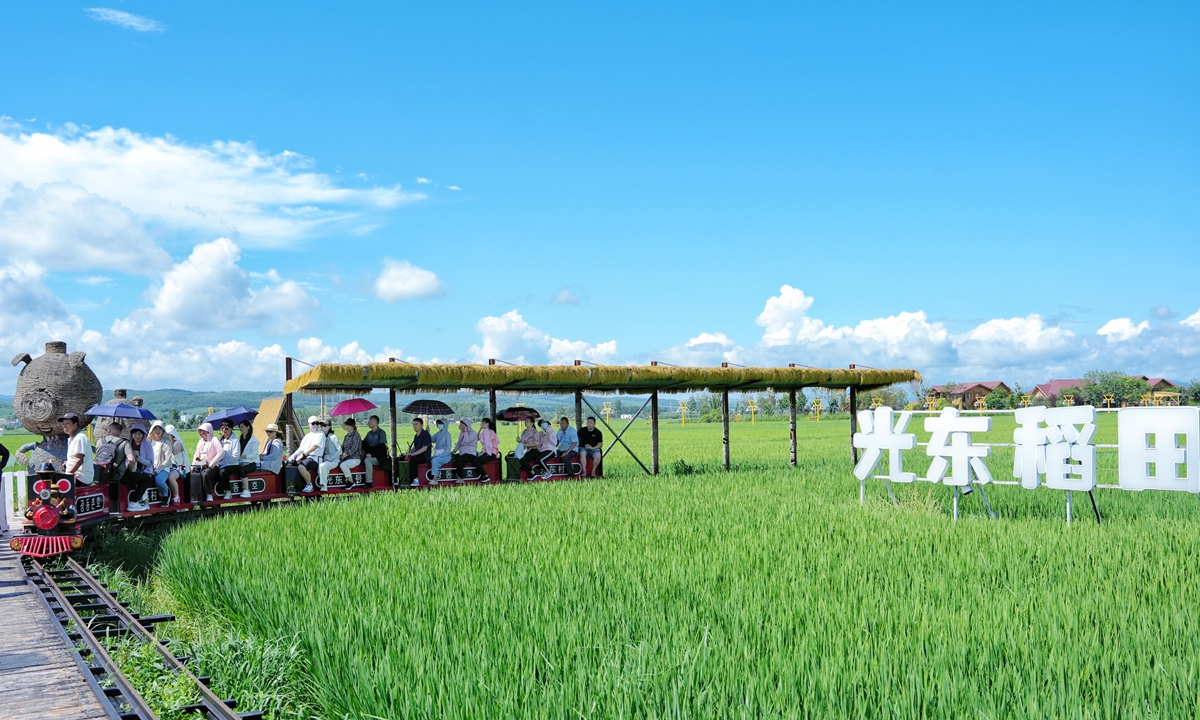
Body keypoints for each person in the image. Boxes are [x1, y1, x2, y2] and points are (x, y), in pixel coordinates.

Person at [97, 421, 151, 512]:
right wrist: (130, 470)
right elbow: (131, 459)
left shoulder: (100, 441)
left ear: (109, 430)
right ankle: (133, 502)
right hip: (119, 476)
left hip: (101, 474)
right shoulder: (124, 443)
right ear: (120, 432)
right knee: (146, 478)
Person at [288, 416, 328, 493]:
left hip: (315, 458)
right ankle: (295, 486)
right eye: (313, 423)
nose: (315, 425)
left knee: (301, 466)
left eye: (317, 423)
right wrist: (291, 458)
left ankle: (309, 485)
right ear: (308, 424)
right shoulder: (307, 436)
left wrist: (303, 455)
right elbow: (301, 448)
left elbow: (315, 446)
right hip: (307, 458)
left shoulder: (320, 434)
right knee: (290, 465)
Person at [148, 421, 182, 506]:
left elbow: (168, 459)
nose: (157, 430)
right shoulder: (148, 442)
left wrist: (159, 469)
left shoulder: (167, 443)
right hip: (150, 467)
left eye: (159, 428)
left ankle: (166, 495)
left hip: (169, 467)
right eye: (155, 428)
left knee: (160, 480)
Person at [126, 423, 158, 508]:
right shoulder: (128, 444)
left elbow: (150, 462)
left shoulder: (147, 445)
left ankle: (144, 502)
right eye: (135, 434)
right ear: (131, 435)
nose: (137, 436)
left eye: (139, 434)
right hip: (131, 469)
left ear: (143, 434)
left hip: (145, 470)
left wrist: (138, 458)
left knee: (143, 479)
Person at [192, 422, 224, 502]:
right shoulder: (200, 442)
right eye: (200, 432)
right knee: (193, 474)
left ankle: (209, 495)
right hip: (201, 464)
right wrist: (194, 464)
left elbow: (221, 452)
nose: (202, 434)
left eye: (204, 431)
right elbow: (196, 454)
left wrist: (212, 462)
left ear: (208, 431)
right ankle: (197, 497)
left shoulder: (214, 440)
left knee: (205, 474)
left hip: (212, 465)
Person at [59, 413, 93, 488]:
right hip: (77, 475)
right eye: (63, 423)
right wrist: (68, 463)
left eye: (67, 423)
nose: (64, 425)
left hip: (81, 477)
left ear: (76, 424)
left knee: (56, 485)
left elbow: (79, 460)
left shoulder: (79, 438)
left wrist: (68, 474)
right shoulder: (73, 438)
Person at [215, 420, 243, 500]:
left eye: (226, 428)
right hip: (221, 464)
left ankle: (228, 491)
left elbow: (235, 456)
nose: (224, 430)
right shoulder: (219, 439)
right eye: (222, 428)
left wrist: (223, 462)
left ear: (231, 429)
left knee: (223, 472)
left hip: (233, 464)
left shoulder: (235, 441)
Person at [406, 418, 432, 487]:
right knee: (400, 458)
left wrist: (413, 454)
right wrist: (408, 453)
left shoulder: (425, 435)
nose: (415, 426)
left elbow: (424, 448)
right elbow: (415, 447)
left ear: (421, 425)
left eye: (416, 424)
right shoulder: (416, 436)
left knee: (413, 461)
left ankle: (416, 479)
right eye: (413, 424)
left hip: (424, 456)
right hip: (417, 454)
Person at [317, 419, 341, 491]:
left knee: (322, 466)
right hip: (324, 459)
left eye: (324, 425)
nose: (322, 427)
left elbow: (339, 450)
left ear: (329, 427)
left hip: (333, 460)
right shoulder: (321, 437)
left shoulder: (333, 437)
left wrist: (331, 458)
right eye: (321, 425)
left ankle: (324, 486)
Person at [338, 418, 365, 484]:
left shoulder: (356, 435)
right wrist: (340, 452)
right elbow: (342, 446)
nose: (347, 426)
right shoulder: (346, 436)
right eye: (346, 425)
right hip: (346, 458)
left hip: (355, 458)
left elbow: (354, 448)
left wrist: (346, 454)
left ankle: (351, 481)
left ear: (353, 426)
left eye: (349, 425)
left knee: (343, 465)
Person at [362, 415, 388, 479]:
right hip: (370, 454)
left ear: (376, 422)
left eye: (371, 421)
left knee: (368, 460)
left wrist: (372, 454)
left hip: (379, 457)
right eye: (369, 421)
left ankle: (369, 481)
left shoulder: (381, 433)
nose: (369, 422)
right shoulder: (369, 433)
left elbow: (382, 447)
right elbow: (364, 443)